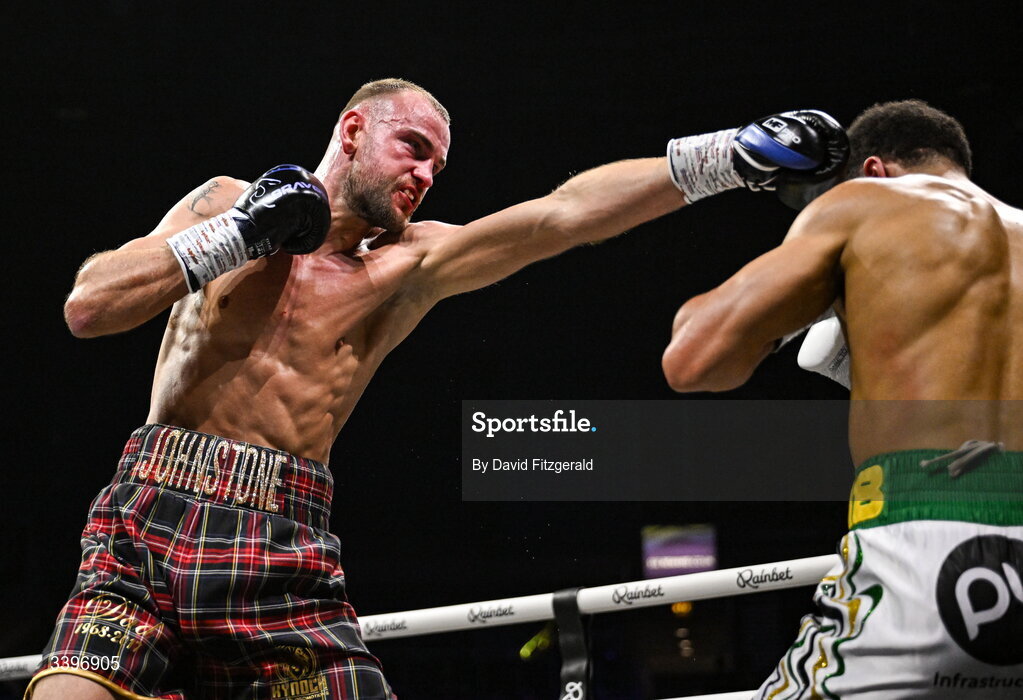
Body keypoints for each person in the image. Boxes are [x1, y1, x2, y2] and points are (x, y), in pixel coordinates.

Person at [30, 78, 846, 700]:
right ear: (353, 129)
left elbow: (563, 217)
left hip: (282, 539)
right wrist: (240, 233)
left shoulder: (409, 266)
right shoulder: (223, 204)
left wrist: (728, 156)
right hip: (145, 523)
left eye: (436, 165)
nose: (424, 175)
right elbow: (91, 306)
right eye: (411, 147)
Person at [662, 99, 1023, 698]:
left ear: (874, 170)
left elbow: (694, 359)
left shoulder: (865, 203)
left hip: (924, 542)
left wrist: (797, 305)